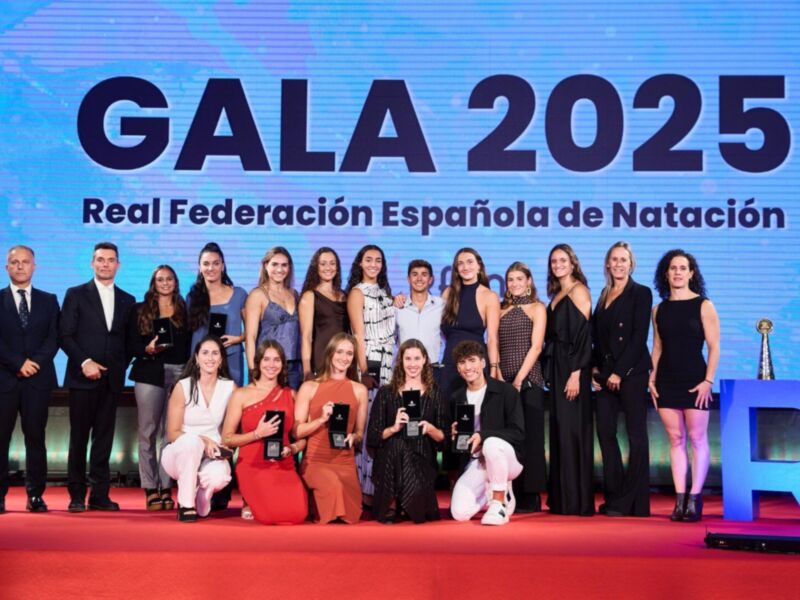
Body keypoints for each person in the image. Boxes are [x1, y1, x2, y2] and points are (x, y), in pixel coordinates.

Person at [59, 242, 135, 512]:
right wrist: (85, 362)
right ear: (92, 263)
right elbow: (64, 335)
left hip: (112, 381)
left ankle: (100, 495)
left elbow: (129, 342)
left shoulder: (128, 299)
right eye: (100, 259)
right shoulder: (76, 294)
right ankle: (77, 495)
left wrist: (119, 367)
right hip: (82, 378)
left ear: (118, 265)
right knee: (79, 438)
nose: (105, 264)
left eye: (111, 260)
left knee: (104, 439)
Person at [650, 249, 720, 522]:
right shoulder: (659, 309)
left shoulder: (704, 305)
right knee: (676, 439)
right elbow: (657, 347)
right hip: (666, 380)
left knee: (697, 439)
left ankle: (695, 498)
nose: (677, 272)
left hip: (695, 380)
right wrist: (652, 379)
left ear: (692, 273)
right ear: (665, 274)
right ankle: (680, 501)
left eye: (683, 268)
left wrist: (708, 381)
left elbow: (714, 347)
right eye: (673, 268)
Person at [591, 242, 653, 517]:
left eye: (623, 260)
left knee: (636, 436)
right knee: (605, 432)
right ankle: (615, 497)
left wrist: (619, 372)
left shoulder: (641, 293)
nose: (618, 264)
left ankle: (634, 502)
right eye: (614, 259)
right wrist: (595, 370)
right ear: (607, 264)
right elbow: (597, 338)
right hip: (605, 376)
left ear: (631, 264)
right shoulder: (604, 294)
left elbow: (639, 337)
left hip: (632, 374)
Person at [221, 340, 308, 525]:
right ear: (258, 362)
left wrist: (292, 449)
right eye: (266, 359)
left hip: (283, 464)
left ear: (283, 364)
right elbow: (227, 439)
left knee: (298, 514)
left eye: (277, 360)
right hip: (252, 465)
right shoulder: (241, 394)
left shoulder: (291, 394)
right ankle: (249, 499)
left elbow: (301, 439)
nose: (271, 364)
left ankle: (254, 501)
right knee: (271, 516)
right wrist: (257, 434)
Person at [0, 246, 59, 514]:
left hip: (38, 379)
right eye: (14, 262)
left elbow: (54, 338)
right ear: (7, 268)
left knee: (36, 439)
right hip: (5, 379)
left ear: (34, 266)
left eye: (25, 262)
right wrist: (17, 363)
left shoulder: (49, 300)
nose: (20, 266)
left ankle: (35, 495)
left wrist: (33, 363)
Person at [127, 265, 191, 511]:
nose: (165, 283)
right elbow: (130, 344)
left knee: (170, 434)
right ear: (153, 283)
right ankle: (150, 487)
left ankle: (166, 487)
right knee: (147, 432)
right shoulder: (139, 310)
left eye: (169, 279)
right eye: (160, 279)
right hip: (148, 373)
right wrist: (147, 348)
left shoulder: (184, 310)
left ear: (175, 282)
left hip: (178, 375)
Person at [367, 339, 448, 523]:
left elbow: (445, 439)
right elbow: (372, 437)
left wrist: (430, 429)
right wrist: (394, 428)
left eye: (417, 358)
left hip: (422, 459)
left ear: (425, 360)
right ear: (400, 362)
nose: (412, 364)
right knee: (396, 444)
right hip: (389, 462)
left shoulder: (435, 393)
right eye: (408, 359)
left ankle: (396, 502)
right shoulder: (386, 393)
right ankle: (396, 502)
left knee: (401, 449)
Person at [293, 333, 368, 524]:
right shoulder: (309, 387)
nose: (344, 358)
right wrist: (320, 420)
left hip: (345, 461)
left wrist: (354, 437)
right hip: (316, 460)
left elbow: (360, 432)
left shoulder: (360, 390)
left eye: (349, 354)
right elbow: (297, 431)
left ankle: (316, 502)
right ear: (330, 353)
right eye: (340, 352)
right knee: (332, 485)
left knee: (351, 513)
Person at [449, 341, 524, 526]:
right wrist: (453, 437)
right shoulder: (456, 397)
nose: (468, 367)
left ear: (483, 363)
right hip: (477, 461)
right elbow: (457, 446)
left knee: (490, 443)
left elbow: (518, 432)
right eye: (462, 362)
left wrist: (483, 435)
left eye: (472, 361)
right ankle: (491, 488)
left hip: (508, 458)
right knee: (459, 513)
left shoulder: (505, 391)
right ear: (458, 368)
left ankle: (498, 501)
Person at [543, 243, 594, 516]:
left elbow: (584, 335)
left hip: (573, 368)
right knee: (560, 431)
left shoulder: (579, 290)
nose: (558, 264)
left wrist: (576, 373)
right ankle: (563, 499)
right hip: (557, 368)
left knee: (573, 432)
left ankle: (577, 501)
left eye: (563, 260)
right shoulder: (557, 293)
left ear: (573, 263)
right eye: (554, 261)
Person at [161, 336, 235, 522]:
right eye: (205, 353)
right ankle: (186, 504)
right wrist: (203, 440)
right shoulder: (182, 386)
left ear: (221, 359)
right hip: (179, 452)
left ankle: (203, 494)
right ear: (196, 358)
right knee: (191, 442)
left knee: (219, 477)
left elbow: (230, 431)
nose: (210, 358)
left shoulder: (229, 387)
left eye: (215, 353)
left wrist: (220, 447)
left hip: (212, 453)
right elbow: (172, 433)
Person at [346, 245, 395, 503]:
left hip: (389, 362)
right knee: (365, 425)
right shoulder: (357, 292)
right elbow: (358, 334)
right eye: (368, 260)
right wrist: (363, 369)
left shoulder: (385, 293)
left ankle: (376, 487)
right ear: (360, 264)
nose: (373, 264)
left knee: (381, 425)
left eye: (378, 260)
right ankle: (361, 489)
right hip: (370, 362)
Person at [497, 261, 547, 513]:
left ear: (529, 281)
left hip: (529, 382)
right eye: (510, 279)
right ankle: (509, 492)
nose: (515, 283)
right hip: (503, 385)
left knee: (532, 439)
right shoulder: (500, 308)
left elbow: (536, 347)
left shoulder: (537, 308)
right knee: (509, 440)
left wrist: (518, 379)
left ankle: (531, 495)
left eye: (519, 278)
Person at [440, 248, 500, 411]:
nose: (465, 267)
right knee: (448, 414)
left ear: (479, 266)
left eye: (470, 262)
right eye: (460, 263)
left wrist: (494, 369)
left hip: (475, 366)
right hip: (450, 364)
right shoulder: (448, 293)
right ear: (456, 269)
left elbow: (493, 338)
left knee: (474, 415)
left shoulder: (490, 296)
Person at [187, 242, 247, 386]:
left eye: (215, 263)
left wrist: (238, 339)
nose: (211, 268)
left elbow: (252, 330)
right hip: (201, 362)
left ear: (223, 266)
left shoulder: (239, 294)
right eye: (206, 264)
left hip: (231, 357)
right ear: (199, 268)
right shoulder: (192, 297)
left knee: (231, 405)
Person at [245, 247, 302, 390]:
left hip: (294, 367)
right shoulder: (258, 295)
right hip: (267, 366)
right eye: (275, 264)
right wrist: (253, 370)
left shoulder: (295, 294)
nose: (280, 269)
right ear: (265, 266)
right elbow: (250, 336)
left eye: (284, 265)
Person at [298, 247, 349, 380]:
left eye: (332, 263)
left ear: (337, 268)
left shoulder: (345, 296)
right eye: (323, 263)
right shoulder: (310, 296)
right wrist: (307, 370)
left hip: (344, 360)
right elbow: (306, 336)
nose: (328, 267)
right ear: (316, 267)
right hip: (321, 358)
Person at [394, 260, 444, 380]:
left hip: (433, 370)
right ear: (408, 279)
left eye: (424, 274)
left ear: (431, 279)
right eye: (415, 274)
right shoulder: (397, 306)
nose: (419, 278)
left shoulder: (442, 305)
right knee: (407, 400)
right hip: (405, 370)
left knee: (433, 399)